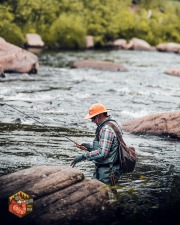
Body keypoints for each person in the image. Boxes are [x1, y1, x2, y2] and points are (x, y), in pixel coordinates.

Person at [70, 103, 122, 186]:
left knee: (105, 196)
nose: (92, 121)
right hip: (107, 168)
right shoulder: (111, 124)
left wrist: (83, 156)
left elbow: (102, 153)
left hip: (107, 171)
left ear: (100, 115)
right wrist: (89, 147)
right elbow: (110, 147)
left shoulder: (106, 129)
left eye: (93, 118)